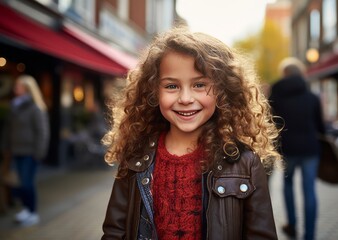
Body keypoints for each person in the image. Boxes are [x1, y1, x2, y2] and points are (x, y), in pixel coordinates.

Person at [101, 27, 282, 240]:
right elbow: (115, 232)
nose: (185, 98)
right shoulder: (136, 158)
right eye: (171, 86)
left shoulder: (245, 163)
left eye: (199, 85)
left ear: (222, 91)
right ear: (153, 92)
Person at [268, 57, 325, 240]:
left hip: (287, 149)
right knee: (309, 190)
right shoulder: (312, 97)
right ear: (300, 73)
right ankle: (309, 235)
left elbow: (270, 123)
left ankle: (291, 225)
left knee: (288, 185)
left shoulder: (275, 95)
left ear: (284, 74)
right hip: (310, 148)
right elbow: (320, 127)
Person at [3, 75, 50, 226]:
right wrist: (6, 147)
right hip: (16, 151)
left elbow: (42, 132)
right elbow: (8, 130)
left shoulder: (35, 107)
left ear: (27, 89)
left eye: (19, 86)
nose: (16, 88)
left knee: (27, 183)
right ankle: (25, 209)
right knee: (20, 183)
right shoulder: (14, 106)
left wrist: (39, 153)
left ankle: (32, 212)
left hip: (30, 152)